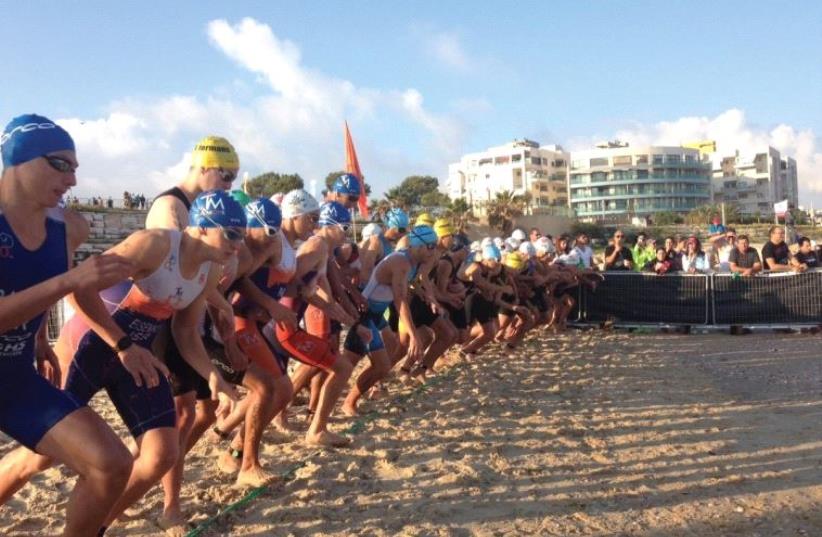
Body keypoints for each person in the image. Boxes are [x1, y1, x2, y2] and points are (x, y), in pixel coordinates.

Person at [0, 190, 242, 535]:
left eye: (243, 235)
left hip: (134, 354)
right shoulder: (154, 245)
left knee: (161, 454)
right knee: (41, 457)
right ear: (202, 227)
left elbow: (186, 330)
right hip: (90, 342)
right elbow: (80, 288)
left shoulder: (210, 268)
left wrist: (212, 375)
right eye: (232, 233)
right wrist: (122, 344)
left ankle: (96, 526)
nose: (238, 243)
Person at [0, 113, 137, 536]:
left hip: (13, 377)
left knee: (111, 464)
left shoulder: (69, 228)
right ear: (19, 159)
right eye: (61, 164)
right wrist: (69, 280)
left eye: (76, 167)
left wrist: (40, 335)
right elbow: (63, 284)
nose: (73, 179)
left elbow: (54, 288)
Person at [146, 135, 241, 533]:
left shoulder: (201, 210)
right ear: (205, 167)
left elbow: (200, 277)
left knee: (199, 412)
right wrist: (222, 304)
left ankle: (156, 479)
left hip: (188, 317)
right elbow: (178, 273)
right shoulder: (171, 207)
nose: (229, 185)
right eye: (226, 175)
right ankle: (170, 505)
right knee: (181, 414)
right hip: (164, 322)